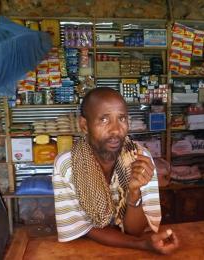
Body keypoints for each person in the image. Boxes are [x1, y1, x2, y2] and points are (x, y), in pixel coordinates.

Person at [52, 87, 179, 254]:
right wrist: (142, 244)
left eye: (122, 118)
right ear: (84, 125)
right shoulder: (67, 164)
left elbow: (135, 231)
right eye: (104, 120)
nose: (116, 130)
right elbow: (82, 229)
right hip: (88, 251)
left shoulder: (139, 158)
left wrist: (134, 192)